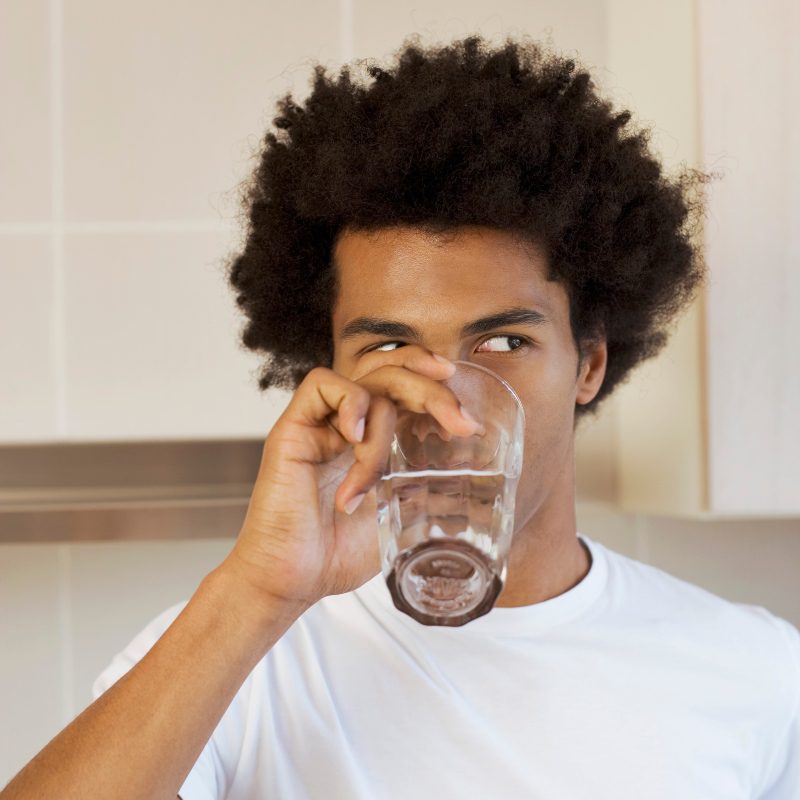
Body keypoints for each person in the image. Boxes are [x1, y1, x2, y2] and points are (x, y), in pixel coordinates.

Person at [3, 33, 798, 800]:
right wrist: (260, 592)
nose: (448, 408)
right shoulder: (237, 657)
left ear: (588, 363)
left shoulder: (755, 674)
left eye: (504, 341)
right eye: (390, 347)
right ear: (331, 375)